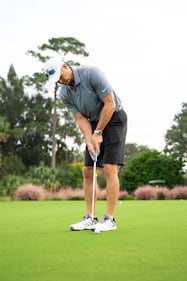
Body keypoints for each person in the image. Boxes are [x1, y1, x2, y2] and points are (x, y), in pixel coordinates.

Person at [44, 57, 127, 232]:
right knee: (87, 170)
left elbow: (109, 103)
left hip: (114, 117)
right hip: (93, 122)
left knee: (109, 167)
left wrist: (98, 133)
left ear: (65, 66)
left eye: (60, 76)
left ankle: (109, 219)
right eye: (56, 80)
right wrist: (89, 140)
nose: (60, 81)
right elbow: (80, 118)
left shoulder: (92, 73)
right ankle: (91, 217)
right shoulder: (64, 93)